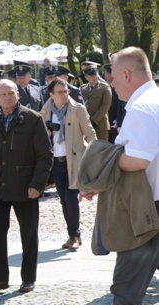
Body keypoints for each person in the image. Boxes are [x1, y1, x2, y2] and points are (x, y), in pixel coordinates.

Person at [67, 47, 159, 305]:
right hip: (150, 206)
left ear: (126, 75)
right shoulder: (154, 100)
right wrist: (104, 179)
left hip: (147, 214)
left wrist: (102, 162)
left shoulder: (143, 106)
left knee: (126, 291)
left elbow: (137, 160)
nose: (109, 81)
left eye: (113, 74)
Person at [0, 79, 52, 295]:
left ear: (18, 95)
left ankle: (28, 278)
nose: (8, 97)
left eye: (11, 93)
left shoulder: (32, 119)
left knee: (29, 234)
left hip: (25, 187)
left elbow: (45, 156)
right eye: (3, 94)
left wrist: (38, 184)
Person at [39, 78, 96, 250]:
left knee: (71, 199)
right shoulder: (44, 111)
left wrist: (95, 156)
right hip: (56, 161)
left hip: (74, 162)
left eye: (66, 91)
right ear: (51, 94)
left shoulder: (77, 109)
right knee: (64, 200)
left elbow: (90, 134)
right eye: (60, 92)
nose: (64, 95)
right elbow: (39, 138)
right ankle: (74, 234)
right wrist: (47, 132)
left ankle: (73, 235)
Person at [81, 66, 112, 140]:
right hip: (86, 125)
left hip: (100, 126)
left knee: (102, 149)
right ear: (86, 77)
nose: (94, 77)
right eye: (91, 76)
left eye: (95, 75)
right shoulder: (82, 88)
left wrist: (94, 121)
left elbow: (105, 106)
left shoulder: (104, 88)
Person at [103, 63, 126, 143]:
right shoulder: (102, 87)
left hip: (115, 123)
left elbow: (121, 105)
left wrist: (117, 120)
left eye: (109, 73)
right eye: (107, 73)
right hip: (104, 123)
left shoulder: (120, 88)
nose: (107, 75)